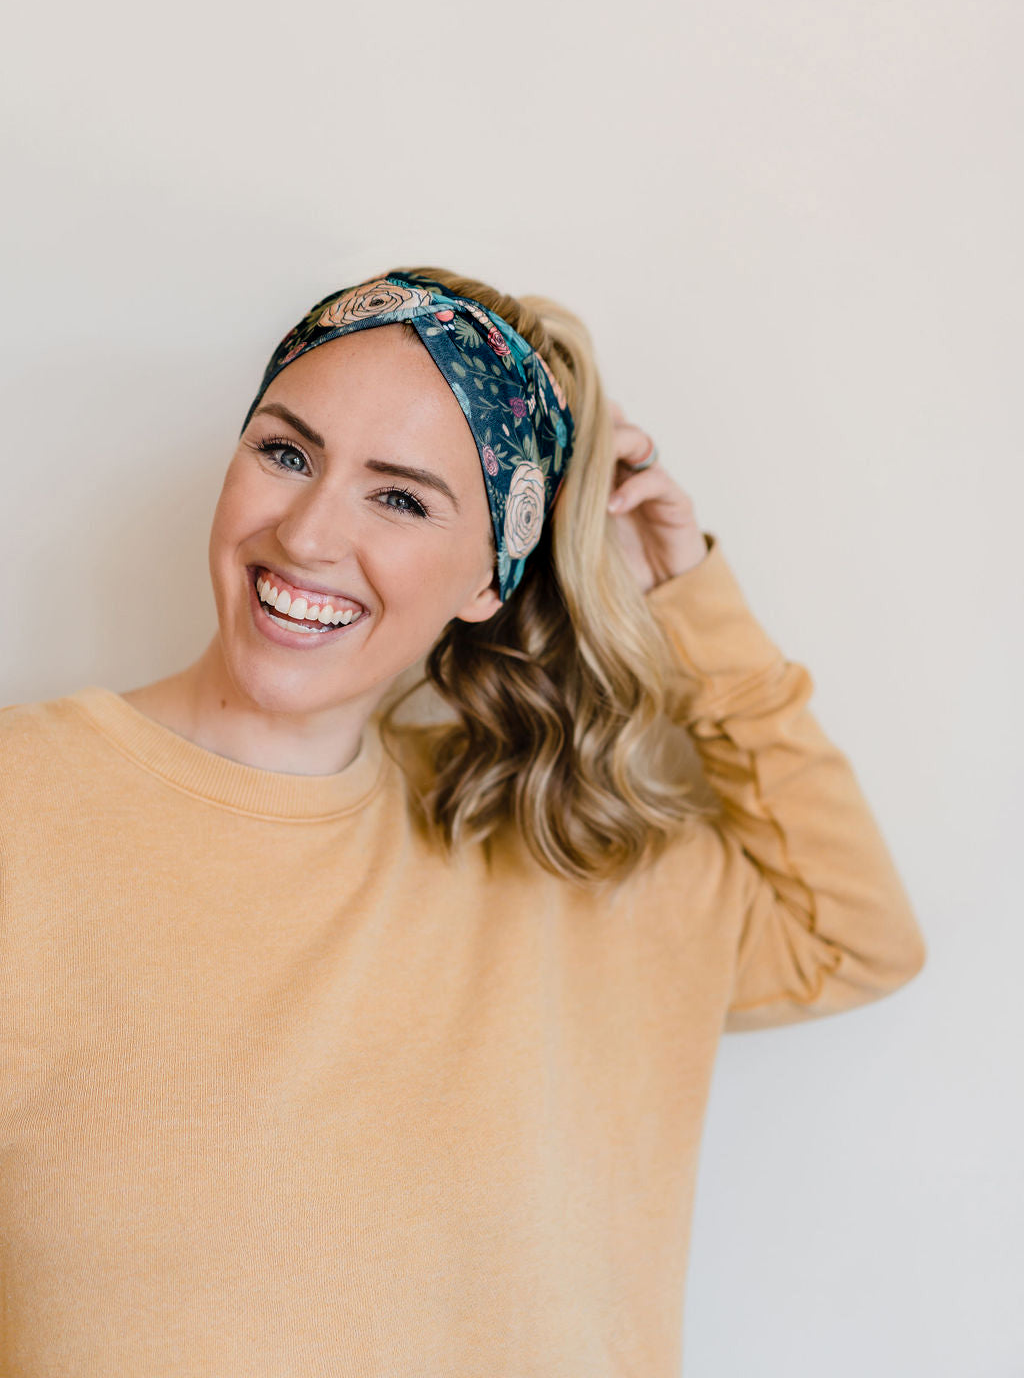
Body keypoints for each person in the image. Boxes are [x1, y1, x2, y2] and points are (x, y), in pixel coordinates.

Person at [0, 266, 927, 1376]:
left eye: (399, 497)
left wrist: (687, 602)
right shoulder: (31, 804)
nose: (304, 533)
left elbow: (852, 934)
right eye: (285, 452)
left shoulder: (548, 852)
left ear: (493, 574)